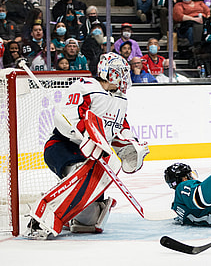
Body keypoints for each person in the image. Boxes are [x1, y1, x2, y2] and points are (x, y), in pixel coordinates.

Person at [24, 52, 150, 239]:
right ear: (109, 73)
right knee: (79, 174)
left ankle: (69, 217)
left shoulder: (121, 99)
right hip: (63, 147)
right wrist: (84, 137)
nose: (125, 77)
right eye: (121, 72)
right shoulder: (86, 87)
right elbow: (65, 119)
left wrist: (130, 143)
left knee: (88, 221)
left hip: (93, 156)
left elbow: (118, 128)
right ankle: (40, 218)